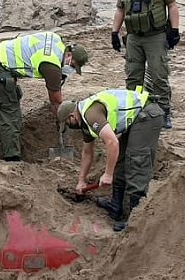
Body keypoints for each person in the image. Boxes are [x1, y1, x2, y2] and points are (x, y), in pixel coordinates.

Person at [57, 87, 164, 232]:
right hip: (136, 119)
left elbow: (112, 142)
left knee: (136, 161)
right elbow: (87, 152)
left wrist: (108, 174)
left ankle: (135, 221)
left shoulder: (90, 115)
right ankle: (116, 206)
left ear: (72, 116)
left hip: (147, 115)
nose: (69, 127)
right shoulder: (84, 123)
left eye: (68, 124)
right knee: (120, 161)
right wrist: (81, 180)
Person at [0, 31, 89, 161]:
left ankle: (6, 144)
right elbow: (56, 101)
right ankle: (12, 158)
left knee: (9, 104)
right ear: (69, 55)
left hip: (0, 58)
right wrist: (62, 120)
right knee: (10, 113)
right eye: (72, 65)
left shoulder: (56, 41)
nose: (71, 69)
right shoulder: (51, 65)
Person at [111, 0, 181, 129]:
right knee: (133, 76)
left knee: (159, 75)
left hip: (155, 36)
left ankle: (164, 111)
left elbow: (172, 5)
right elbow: (120, 9)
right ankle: (134, 110)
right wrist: (114, 32)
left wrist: (175, 29)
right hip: (134, 38)